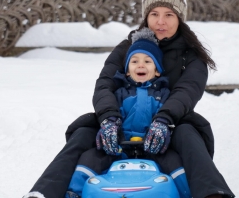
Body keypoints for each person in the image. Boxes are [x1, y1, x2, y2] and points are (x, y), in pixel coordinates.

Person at [23, 0, 235, 198]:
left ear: (179, 18)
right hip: (121, 122)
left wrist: (164, 119)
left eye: (169, 15)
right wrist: (108, 118)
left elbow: (187, 91)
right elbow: (105, 84)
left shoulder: (191, 55)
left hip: (171, 125)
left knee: (189, 133)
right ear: (146, 16)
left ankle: (213, 193)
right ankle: (44, 193)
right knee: (83, 132)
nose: (160, 21)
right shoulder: (127, 48)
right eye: (154, 14)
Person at [65, 27, 191, 198]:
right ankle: (74, 192)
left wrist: (164, 130)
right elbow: (111, 112)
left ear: (157, 70)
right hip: (119, 146)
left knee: (175, 163)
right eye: (134, 61)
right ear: (127, 70)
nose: (140, 65)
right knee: (90, 158)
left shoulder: (164, 95)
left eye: (148, 61)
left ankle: (188, 193)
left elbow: (169, 116)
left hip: (154, 147)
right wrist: (110, 127)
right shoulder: (120, 94)